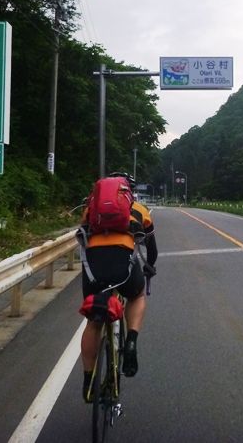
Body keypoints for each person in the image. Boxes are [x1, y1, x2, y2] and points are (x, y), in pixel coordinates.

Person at [78, 172, 158, 403]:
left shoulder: (91, 209)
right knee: (137, 296)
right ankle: (131, 340)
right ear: (127, 191)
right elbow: (151, 249)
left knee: (94, 321)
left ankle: (88, 380)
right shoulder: (138, 209)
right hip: (124, 263)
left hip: (94, 266)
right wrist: (149, 267)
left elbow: (82, 235)